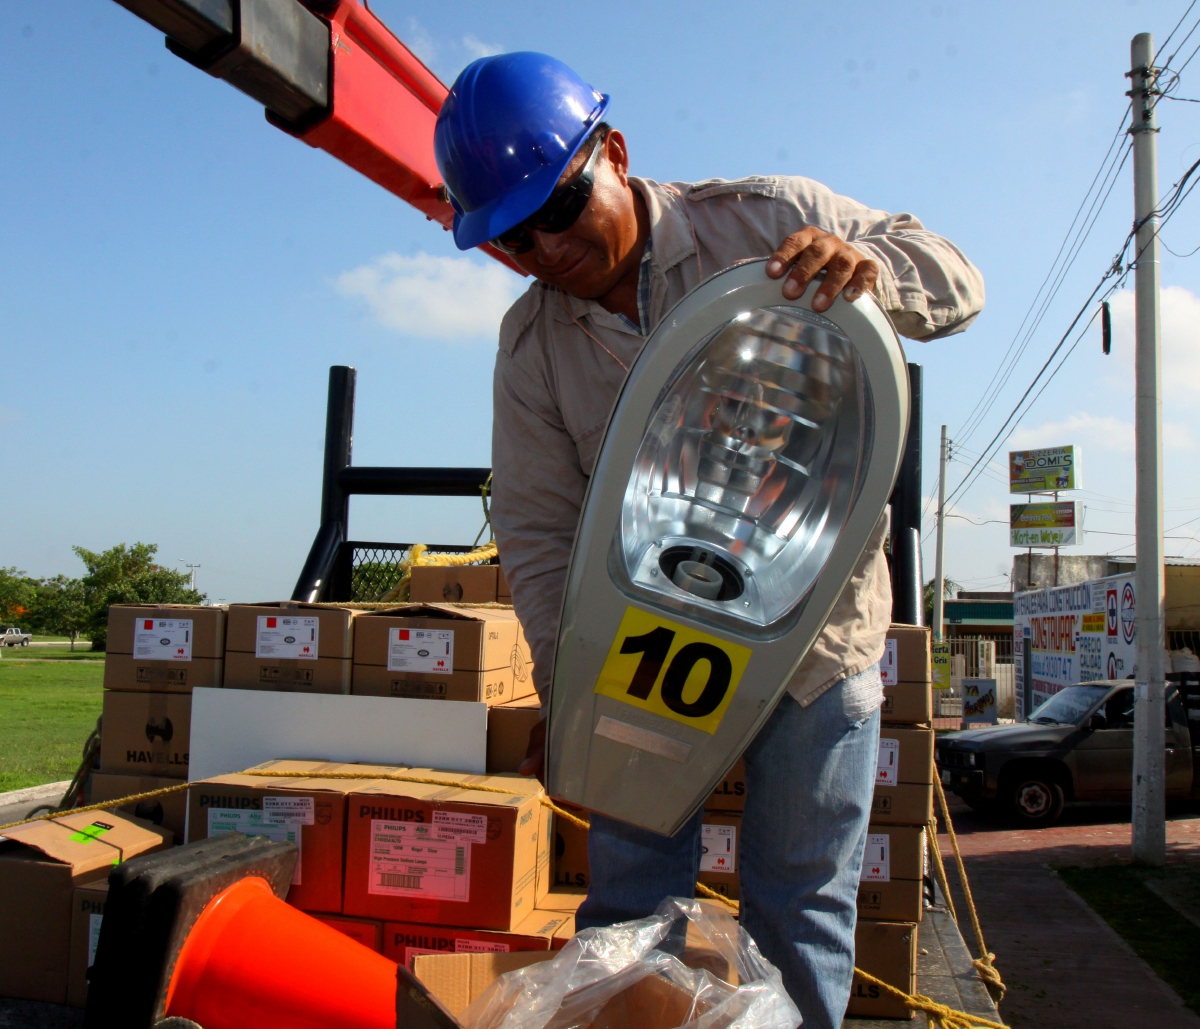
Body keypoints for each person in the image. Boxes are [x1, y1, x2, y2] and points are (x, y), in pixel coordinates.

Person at [434, 52, 984, 1029]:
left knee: (801, 904)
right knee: (629, 910)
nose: (549, 252)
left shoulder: (767, 222)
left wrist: (877, 273)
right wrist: (575, 691)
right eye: (516, 240)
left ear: (613, 154)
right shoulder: (531, 351)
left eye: (560, 212)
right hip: (649, 657)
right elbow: (536, 529)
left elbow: (958, 276)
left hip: (815, 642)